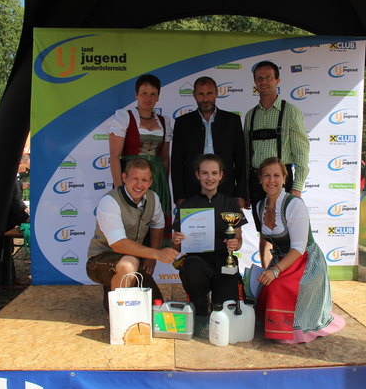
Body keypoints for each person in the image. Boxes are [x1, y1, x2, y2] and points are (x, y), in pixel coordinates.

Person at [256, 157, 344, 344]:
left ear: (284, 179)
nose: (272, 180)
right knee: (263, 290)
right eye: (267, 176)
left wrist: (275, 271)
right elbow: (265, 240)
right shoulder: (260, 206)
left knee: (277, 288)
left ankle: (288, 331)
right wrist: (267, 268)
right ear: (260, 179)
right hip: (281, 261)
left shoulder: (294, 204)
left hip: (306, 261)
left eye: (276, 176)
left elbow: (298, 248)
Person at [86, 158, 179, 308]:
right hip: (99, 260)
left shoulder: (153, 198)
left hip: (134, 259)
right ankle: (119, 314)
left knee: (157, 306)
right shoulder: (110, 201)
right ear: (124, 178)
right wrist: (157, 254)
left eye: (144, 180)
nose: (139, 185)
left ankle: (114, 291)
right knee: (129, 264)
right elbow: (118, 244)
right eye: (134, 179)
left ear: (150, 182)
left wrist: (151, 259)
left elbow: (158, 225)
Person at [171, 154, 247, 335]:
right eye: (204, 173)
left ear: (221, 175)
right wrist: (176, 242)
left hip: (224, 261)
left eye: (214, 173)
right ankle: (200, 304)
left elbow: (239, 241)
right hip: (197, 261)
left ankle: (218, 304)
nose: (209, 178)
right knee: (192, 266)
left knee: (224, 309)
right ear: (197, 175)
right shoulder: (187, 206)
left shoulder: (231, 204)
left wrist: (235, 244)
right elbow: (177, 247)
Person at [244, 61, 309, 227]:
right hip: (257, 180)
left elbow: (301, 152)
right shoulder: (250, 115)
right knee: (264, 231)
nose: (264, 82)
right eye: (259, 78)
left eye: (268, 78)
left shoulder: (291, 112)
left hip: (282, 181)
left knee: (285, 231)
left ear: (277, 81)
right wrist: (245, 188)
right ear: (255, 82)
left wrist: (296, 188)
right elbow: (246, 154)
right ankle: (264, 255)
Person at [108, 74, 173, 238]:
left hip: (156, 180)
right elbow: (115, 156)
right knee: (129, 224)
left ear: (158, 97)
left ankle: (149, 262)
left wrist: (163, 184)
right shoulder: (124, 117)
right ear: (136, 95)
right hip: (131, 179)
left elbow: (165, 157)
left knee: (154, 226)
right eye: (144, 93)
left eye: (153, 94)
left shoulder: (164, 121)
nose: (148, 98)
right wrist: (119, 190)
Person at [171, 76, 247, 208]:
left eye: (209, 93)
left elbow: (241, 160)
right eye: (201, 94)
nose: (205, 99)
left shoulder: (232, 121)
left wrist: (241, 194)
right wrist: (179, 196)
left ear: (217, 93)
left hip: (227, 190)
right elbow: (176, 163)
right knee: (195, 228)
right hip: (191, 191)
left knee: (228, 229)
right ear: (194, 95)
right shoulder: (182, 123)